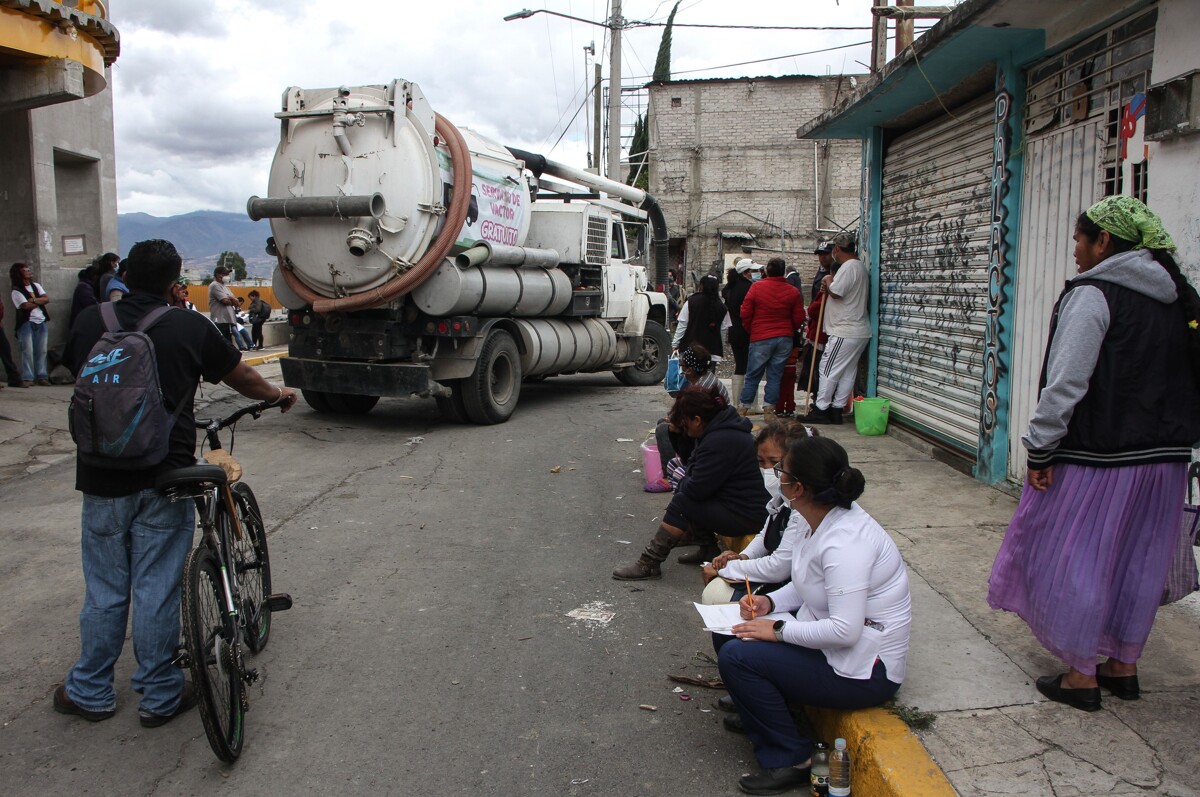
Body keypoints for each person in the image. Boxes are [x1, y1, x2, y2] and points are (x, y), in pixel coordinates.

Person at [54, 238, 298, 727]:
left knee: (104, 588)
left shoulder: (90, 321)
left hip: (99, 476)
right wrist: (276, 394)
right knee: (156, 586)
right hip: (165, 475)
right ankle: (160, 693)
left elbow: (78, 375)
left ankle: (90, 690)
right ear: (174, 284)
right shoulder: (187, 324)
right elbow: (241, 377)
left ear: (124, 274)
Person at [987, 196, 1200, 712]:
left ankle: (1082, 676)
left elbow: (1066, 383)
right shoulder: (1179, 298)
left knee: (1074, 559)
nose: (1076, 251)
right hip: (1166, 460)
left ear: (1104, 241)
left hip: (1097, 457)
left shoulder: (1094, 294)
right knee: (1136, 560)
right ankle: (1122, 666)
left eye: (1081, 240)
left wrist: (1040, 449)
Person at [719, 436, 911, 795]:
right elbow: (809, 584)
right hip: (832, 643)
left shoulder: (845, 544)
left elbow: (844, 631)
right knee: (733, 627)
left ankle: (791, 757)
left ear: (798, 487)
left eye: (781, 471)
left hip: (866, 669)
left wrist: (775, 630)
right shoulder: (813, 517)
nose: (777, 476)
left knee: (739, 655)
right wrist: (770, 605)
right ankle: (763, 713)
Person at [614, 385, 769, 580]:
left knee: (683, 501)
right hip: (737, 506)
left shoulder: (721, 439)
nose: (685, 428)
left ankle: (649, 562)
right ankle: (707, 547)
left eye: (686, 424)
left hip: (747, 514)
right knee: (685, 487)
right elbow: (690, 463)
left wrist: (687, 479)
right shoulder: (715, 430)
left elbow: (696, 488)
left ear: (697, 420)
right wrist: (677, 434)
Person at [702, 421, 815, 661]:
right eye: (761, 462)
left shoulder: (808, 509)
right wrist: (741, 557)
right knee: (727, 621)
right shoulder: (784, 499)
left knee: (730, 612)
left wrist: (728, 569)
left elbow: (780, 567)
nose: (767, 470)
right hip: (792, 588)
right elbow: (765, 537)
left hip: (797, 594)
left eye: (775, 463)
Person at [802, 232, 869, 425]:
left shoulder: (849, 267)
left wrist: (828, 281)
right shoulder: (858, 267)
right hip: (856, 330)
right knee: (847, 371)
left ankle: (822, 408)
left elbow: (837, 292)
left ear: (837, 249)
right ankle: (836, 409)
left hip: (844, 330)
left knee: (827, 368)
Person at [653, 344, 732, 494]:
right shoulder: (705, 379)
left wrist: (675, 422)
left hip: (709, 431)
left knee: (663, 429)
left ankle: (669, 477)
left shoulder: (701, 389)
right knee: (664, 422)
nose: (681, 370)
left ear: (690, 369)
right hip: (710, 425)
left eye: (682, 366)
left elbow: (693, 418)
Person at [738, 257, 805, 420]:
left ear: (767, 270)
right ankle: (769, 410)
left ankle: (743, 409)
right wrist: (788, 328)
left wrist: (751, 329)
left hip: (760, 336)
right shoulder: (792, 291)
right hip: (784, 338)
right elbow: (799, 316)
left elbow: (745, 312)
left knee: (753, 374)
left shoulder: (756, 288)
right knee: (775, 375)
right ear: (783, 272)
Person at [10, 262, 51, 386]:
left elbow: (46, 299)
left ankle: (42, 376)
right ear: (19, 273)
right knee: (27, 350)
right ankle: (28, 377)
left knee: (42, 350)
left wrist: (33, 300)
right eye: (25, 270)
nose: (28, 271)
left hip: (41, 321)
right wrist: (39, 302)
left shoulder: (36, 286)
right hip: (26, 323)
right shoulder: (16, 290)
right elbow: (25, 306)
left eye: (28, 269)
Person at [725, 259, 759, 408]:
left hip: (734, 331)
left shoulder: (730, 288)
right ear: (745, 272)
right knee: (751, 367)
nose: (756, 274)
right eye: (753, 271)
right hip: (747, 331)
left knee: (740, 365)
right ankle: (749, 404)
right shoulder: (749, 288)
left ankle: (738, 402)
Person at [672, 274, 729, 360]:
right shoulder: (722, 307)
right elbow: (723, 331)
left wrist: (675, 344)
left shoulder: (691, 302)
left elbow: (682, 325)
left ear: (701, 286)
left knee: (689, 372)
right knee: (708, 373)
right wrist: (721, 348)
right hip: (712, 353)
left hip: (690, 350)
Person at [208, 264, 238, 344]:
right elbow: (225, 301)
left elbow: (237, 302)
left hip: (227, 320)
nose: (227, 276)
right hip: (220, 320)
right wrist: (231, 299)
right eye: (225, 274)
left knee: (228, 344)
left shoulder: (225, 287)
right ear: (218, 275)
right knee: (222, 344)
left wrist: (231, 298)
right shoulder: (215, 285)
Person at [70, 265, 100, 330]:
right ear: (94, 276)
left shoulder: (86, 286)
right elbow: (91, 304)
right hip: (82, 323)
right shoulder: (84, 287)